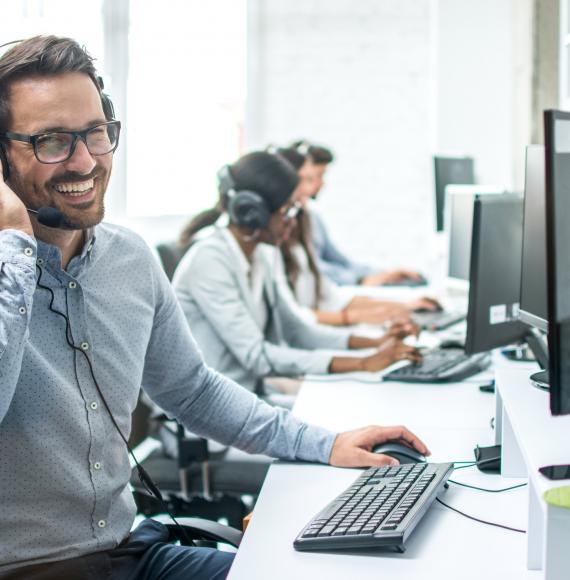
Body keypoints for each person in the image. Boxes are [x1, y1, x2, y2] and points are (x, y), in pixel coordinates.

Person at [0, 35, 430, 579]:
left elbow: (192, 389)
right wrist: (12, 245)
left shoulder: (129, 259)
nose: (85, 159)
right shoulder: (4, 271)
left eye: (96, 134)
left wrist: (326, 444)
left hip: (129, 554)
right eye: (52, 141)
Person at [173, 151, 422, 397]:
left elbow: (297, 331)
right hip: (204, 413)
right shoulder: (210, 261)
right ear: (254, 212)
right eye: (288, 210)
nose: (294, 221)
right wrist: (363, 363)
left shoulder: (263, 254)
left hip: (245, 398)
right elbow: (256, 356)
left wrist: (376, 344)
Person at [275, 146, 439, 327]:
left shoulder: (308, 219)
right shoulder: (276, 241)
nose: (316, 185)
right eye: (308, 179)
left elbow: (336, 272)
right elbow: (298, 313)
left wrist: (390, 290)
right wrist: (362, 285)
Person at [291, 139, 426, 287]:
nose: (321, 183)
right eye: (315, 177)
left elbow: (341, 262)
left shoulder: (313, 219)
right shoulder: (286, 223)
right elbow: (310, 269)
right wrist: (359, 280)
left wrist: (384, 274)